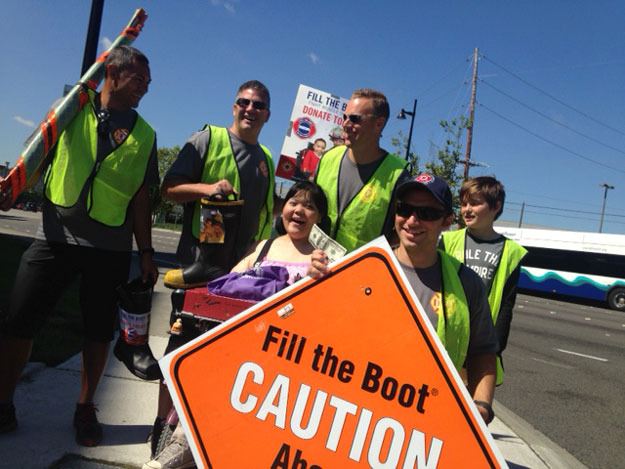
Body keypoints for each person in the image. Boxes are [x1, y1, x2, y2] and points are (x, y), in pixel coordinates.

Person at [0, 45, 159, 446]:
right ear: (114, 74)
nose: (146, 88)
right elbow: (36, 152)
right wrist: (14, 188)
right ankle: (3, 403)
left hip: (110, 247)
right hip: (55, 236)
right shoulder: (71, 106)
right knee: (19, 320)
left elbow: (142, 197)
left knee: (97, 332)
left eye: (148, 82)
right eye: (140, 79)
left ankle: (85, 408)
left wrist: (146, 252)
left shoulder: (146, 134)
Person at [144, 181, 328, 469]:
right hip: (239, 344)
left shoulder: (320, 259)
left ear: (319, 219)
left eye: (310, 206)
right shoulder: (264, 246)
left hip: (279, 358)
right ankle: (178, 443)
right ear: (283, 209)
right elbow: (230, 283)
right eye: (294, 202)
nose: (299, 210)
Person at [309, 173, 498, 425]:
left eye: (427, 213)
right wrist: (313, 285)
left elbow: (483, 352)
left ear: (447, 221)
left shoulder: (467, 283)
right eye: (404, 209)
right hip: (354, 412)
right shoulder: (362, 266)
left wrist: (481, 406)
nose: (412, 220)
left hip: (426, 421)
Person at [161, 80, 275, 289]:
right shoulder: (207, 139)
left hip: (243, 271)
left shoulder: (266, 158)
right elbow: (168, 188)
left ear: (267, 115)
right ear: (234, 108)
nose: (250, 109)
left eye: (258, 105)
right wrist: (208, 189)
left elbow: (267, 209)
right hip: (200, 267)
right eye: (244, 102)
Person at [440, 176, 527, 385]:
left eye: (475, 203)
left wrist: (493, 349)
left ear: (496, 206)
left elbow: (506, 306)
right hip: (446, 339)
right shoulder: (448, 240)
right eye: (464, 203)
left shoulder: (511, 251)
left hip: (480, 344)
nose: (467, 209)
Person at [314, 88, 409, 252]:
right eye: (344, 117)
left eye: (354, 119)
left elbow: (402, 232)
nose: (345, 124)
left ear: (379, 124)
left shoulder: (398, 175)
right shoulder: (328, 158)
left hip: (360, 273)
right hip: (314, 265)